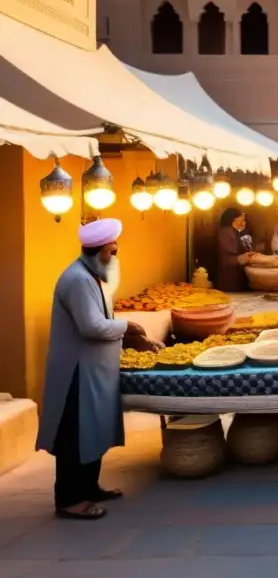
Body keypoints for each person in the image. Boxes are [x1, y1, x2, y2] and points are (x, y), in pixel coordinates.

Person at [37, 219, 158, 520]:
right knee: (76, 437)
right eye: (112, 252)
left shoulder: (91, 277)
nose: (114, 257)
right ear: (99, 251)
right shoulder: (77, 279)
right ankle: (70, 500)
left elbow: (102, 321)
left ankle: (89, 488)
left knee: (94, 433)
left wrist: (132, 340)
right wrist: (127, 325)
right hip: (76, 373)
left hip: (96, 370)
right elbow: (91, 326)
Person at [217, 208, 255, 291]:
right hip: (229, 271)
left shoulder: (236, 231)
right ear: (234, 218)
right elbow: (229, 251)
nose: (243, 220)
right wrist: (241, 258)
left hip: (238, 270)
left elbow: (245, 247)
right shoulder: (225, 232)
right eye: (241, 217)